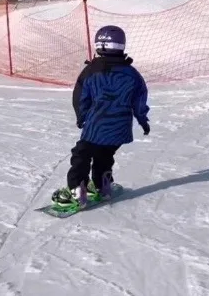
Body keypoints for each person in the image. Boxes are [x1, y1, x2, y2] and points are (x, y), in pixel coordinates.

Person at [51, 25, 150, 209]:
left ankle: (76, 191)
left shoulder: (91, 71)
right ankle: (103, 185)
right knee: (105, 154)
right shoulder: (132, 74)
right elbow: (139, 100)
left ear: (98, 45)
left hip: (97, 126)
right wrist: (143, 120)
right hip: (120, 129)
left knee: (81, 154)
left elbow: (80, 97)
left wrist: (81, 117)